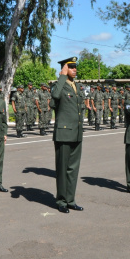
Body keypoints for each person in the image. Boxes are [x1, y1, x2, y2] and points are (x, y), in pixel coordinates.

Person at [51, 57, 84, 213]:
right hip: (63, 133)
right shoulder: (60, 85)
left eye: (75, 67)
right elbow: (54, 99)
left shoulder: (76, 86)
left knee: (73, 169)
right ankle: (62, 201)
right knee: (63, 169)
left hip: (76, 133)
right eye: (71, 67)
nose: (74, 69)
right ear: (64, 69)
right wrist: (62, 77)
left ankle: (70, 199)